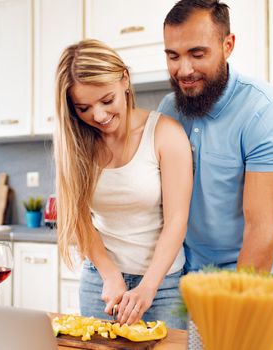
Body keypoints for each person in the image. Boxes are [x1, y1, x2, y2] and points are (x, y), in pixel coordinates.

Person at [53, 39, 193, 329]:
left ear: (125, 81)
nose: (99, 116)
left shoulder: (165, 133)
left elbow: (177, 220)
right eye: (84, 108)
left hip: (162, 285)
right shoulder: (77, 141)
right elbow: (79, 217)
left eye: (107, 100)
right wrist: (109, 274)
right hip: (101, 282)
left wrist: (148, 287)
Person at [158, 0, 273, 274]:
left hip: (237, 275)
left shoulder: (266, 112)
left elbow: (261, 228)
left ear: (228, 45)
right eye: (173, 56)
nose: (184, 70)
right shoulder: (169, 110)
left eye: (197, 54)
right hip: (175, 276)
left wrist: (235, 303)